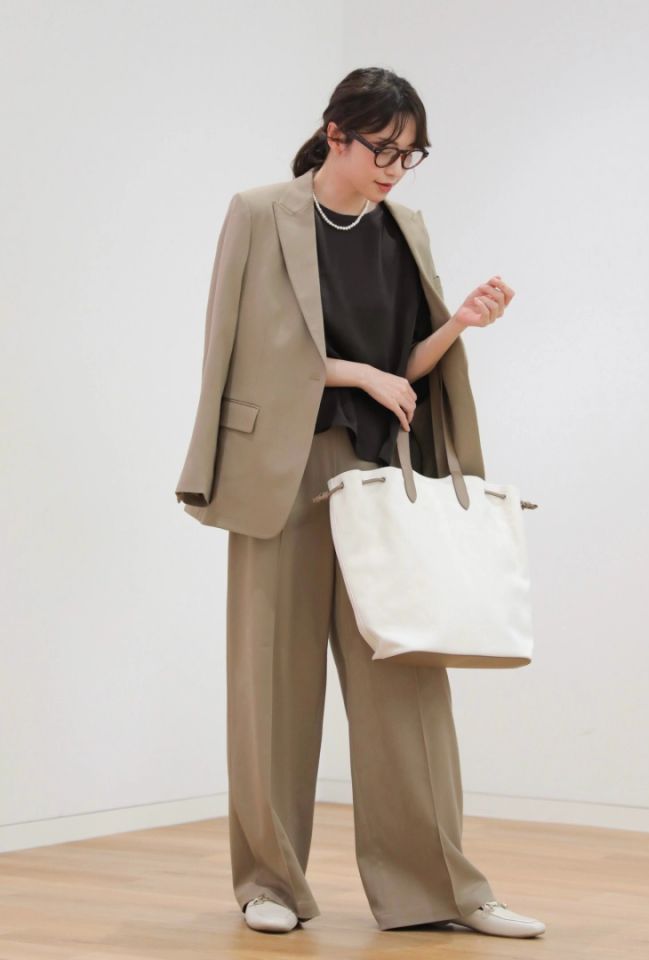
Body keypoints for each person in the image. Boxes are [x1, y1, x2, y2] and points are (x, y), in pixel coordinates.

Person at [175, 66, 545, 939]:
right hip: (284, 468)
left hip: (383, 474)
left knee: (407, 684)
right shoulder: (260, 212)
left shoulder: (403, 228)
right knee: (273, 681)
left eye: (410, 156)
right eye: (383, 149)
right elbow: (234, 349)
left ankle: (443, 891)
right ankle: (269, 883)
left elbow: (405, 366)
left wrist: (459, 324)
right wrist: (355, 374)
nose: (393, 169)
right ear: (335, 131)